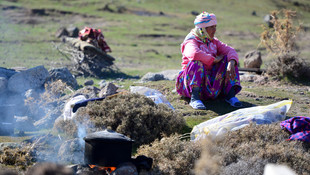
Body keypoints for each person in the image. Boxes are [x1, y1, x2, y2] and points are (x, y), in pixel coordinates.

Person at [175, 11, 242, 110]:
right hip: (190, 83)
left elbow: (230, 50)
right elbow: (194, 53)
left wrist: (231, 62)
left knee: (228, 59)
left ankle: (230, 95)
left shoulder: (213, 41)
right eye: (211, 27)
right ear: (203, 29)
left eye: (215, 26)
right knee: (196, 62)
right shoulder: (191, 40)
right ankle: (195, 98)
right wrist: (213, 60)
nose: (214, 30)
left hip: (210, 83)